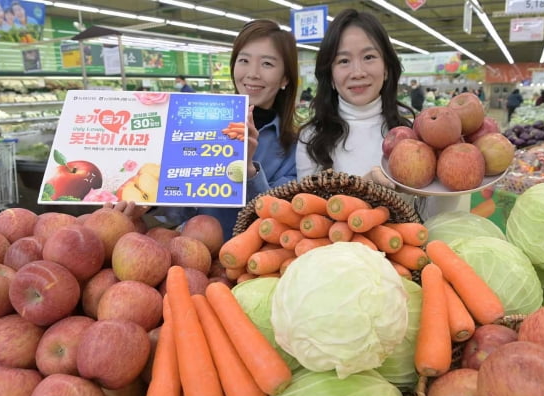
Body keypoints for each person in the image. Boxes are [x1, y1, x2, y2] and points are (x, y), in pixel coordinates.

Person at [111, 20, 299, 240]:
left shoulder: (296, 148)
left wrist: (247, 170)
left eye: (267, 64)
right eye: (244, 60)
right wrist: (148, 202)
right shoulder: (201, 126)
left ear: (285, 77)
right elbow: (183, 210)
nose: (253, 73)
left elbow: (278, 219)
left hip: (262, 260)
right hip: (199, 256)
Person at [296, 8, 413, 189]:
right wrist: (365, 187)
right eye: (343, 61)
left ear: (387, 68)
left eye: (369, 57)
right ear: (331, 76)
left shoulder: (410, 135)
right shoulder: (311, 138)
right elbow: (308, 212)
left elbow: (430, 215)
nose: (357, 72)